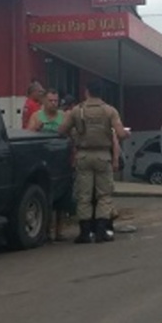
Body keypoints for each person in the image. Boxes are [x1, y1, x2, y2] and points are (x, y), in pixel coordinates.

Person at [57, 80, 127, 244]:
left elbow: (61, 130)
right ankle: (102, 231)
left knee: (84, 195)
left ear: (86, 92)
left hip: (83, 155)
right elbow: (121, 134)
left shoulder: (76, 110)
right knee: (104, 194)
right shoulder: (110, 111)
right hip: (103, 156)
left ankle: (85, 233)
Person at [28, 89, 72, 241]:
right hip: (43, 163)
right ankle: (46, 230)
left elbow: (72, 135)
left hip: (61, 162)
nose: (54, 104)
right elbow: (28, 135)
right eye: (51, 101)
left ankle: (59, 231)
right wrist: (36, 129)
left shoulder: (64, 116)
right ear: (44, 102)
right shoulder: (36, 117)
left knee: (62, 199)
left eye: (56, 101)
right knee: (46, 197)